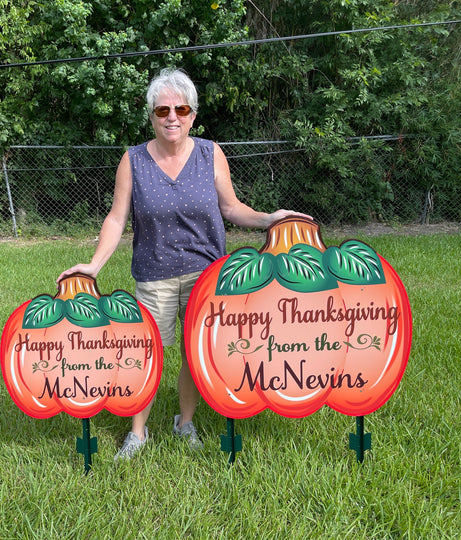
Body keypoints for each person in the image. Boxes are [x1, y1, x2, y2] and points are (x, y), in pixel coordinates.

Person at [58, 67, 311, 460]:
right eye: (162, 111)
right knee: (146, 355)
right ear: (152, 116)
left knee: (195, 356)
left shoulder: (211, 154)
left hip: (206, 276)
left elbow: (231, 207)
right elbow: (116, 218)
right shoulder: (134, 161)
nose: (172, 116)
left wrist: (268, 218)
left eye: (181, 108)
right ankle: (138, 434)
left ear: (193, 114)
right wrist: (94, 265)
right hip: (154, 274)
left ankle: (185, 421)